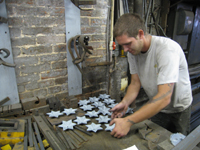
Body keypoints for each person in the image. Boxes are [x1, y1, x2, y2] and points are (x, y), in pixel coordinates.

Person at [109, 13, 192, 138]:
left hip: (178, 110)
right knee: (154, 140)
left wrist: (128, 121)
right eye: (122, 45)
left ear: (140, 34)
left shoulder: (167, 49)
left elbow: (164, 97)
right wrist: (125, 102)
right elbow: (135, 83)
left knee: (179, 143)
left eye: (128, 43)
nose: (125, 49)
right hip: (157, 107)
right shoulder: (133, 52)